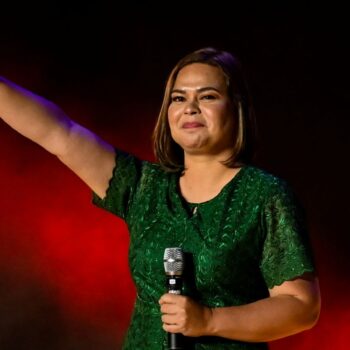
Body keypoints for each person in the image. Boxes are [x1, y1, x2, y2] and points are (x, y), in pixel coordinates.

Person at [0, 47, 321, 349]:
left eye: (207, 96)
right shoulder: (144, 188)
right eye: (178, 98)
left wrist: (209, 320)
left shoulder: (265, 196)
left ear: (236, 107)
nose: (190, 107)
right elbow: (59, 133)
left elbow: (301, 306)